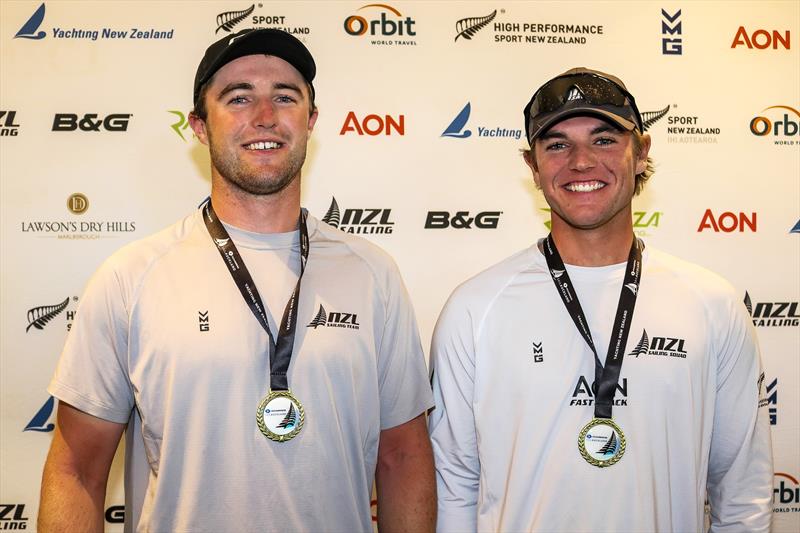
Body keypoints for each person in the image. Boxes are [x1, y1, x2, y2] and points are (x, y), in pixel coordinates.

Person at [39, 28, 435, 533]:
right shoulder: (131, 277)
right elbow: (76, 469)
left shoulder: (372, 272)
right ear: (200, 127)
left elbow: (403, 458)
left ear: (311, 121)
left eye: (285, 97)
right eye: (239, 97)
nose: (265, 117)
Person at [428, 68, 773, 532]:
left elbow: (741, 489)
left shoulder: (711, 303)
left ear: (641, 154)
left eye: (604, 139)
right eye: (556, 144)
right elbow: (455, 485)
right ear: (533, 166)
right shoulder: (476, 307)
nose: (581, 161)